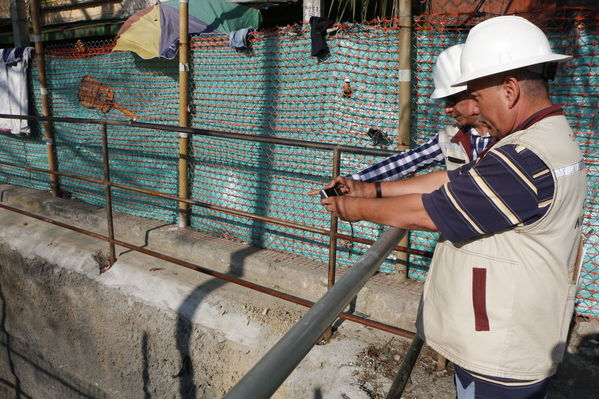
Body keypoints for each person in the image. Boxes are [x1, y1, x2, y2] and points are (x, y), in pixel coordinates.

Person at [317, 16, 587, 398]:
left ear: (509, 90)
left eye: (477, 95)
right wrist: (368, 190)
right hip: (508, 332)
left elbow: (433, 210)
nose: (473, 107)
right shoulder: (540, 140)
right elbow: (454, 183)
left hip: (501, 350)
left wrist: (354, 209)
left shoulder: (524, 157)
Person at [349, 44, 493, 183]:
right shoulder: (450, 137)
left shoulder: (510, 138)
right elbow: (406, 162)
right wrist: (354, 181)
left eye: (452, 100)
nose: (447, 109)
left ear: (475, 95)